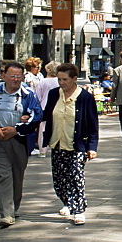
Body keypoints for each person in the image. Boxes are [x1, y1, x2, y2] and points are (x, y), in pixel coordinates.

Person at [0, 60, 43, 228]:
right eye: (12, 76)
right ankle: (6, 214)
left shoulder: (28, 94)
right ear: (4, 76)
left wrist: (17, 128)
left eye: (18, 76)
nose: (15, 80)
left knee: (16, 175)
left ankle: (13, 206)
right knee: (4, 174)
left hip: (19, 141)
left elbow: (36, 116)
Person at [41, 62, 98, 225]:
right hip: (57, 143)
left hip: (77, 145)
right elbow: (46, 115)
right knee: (59, 179)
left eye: (65, 79)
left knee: (75, 176)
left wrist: (92, 147)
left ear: (74, 79)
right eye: (59, 79)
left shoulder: (85, 98)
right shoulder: (53, 94)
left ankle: (79, 210)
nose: (61, 83)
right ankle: (67, 201)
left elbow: (93, 125)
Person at [33, 61, 60, 157]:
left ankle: (42, 150)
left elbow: (38, 96)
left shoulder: (43, 82)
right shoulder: (60, 81)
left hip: (44, 107)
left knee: (42, 129)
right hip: (58, 106)